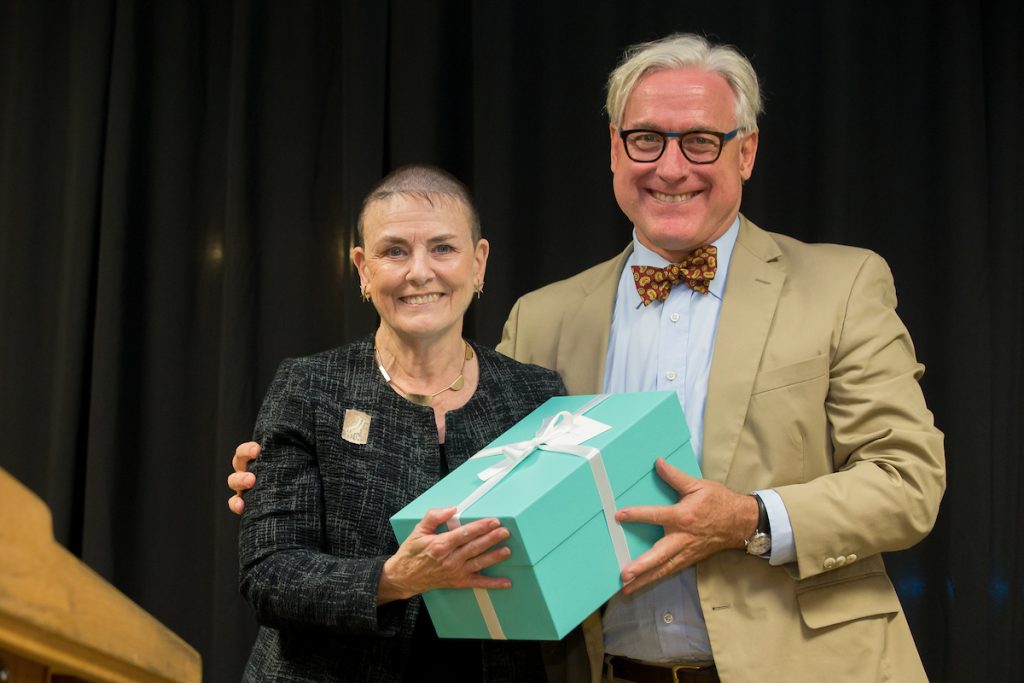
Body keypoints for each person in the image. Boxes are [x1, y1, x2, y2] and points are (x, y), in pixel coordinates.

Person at [232, 34, 945, 683]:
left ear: (746, 151)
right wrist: (295, 481)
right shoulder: (542, 320)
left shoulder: (842, 284)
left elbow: (909, 480)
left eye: (700, 140)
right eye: (645, 139)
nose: (671, 166)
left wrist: (751, 517)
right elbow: (463, 483)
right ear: (613, 149)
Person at [236, 163, 565, 682]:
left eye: (443, 248)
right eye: (394, 251)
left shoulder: (534, 395)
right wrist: (393, 579)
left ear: (479, 263)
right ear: (363, 269)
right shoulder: (309, 387)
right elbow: (269, 574)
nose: (419, 271)